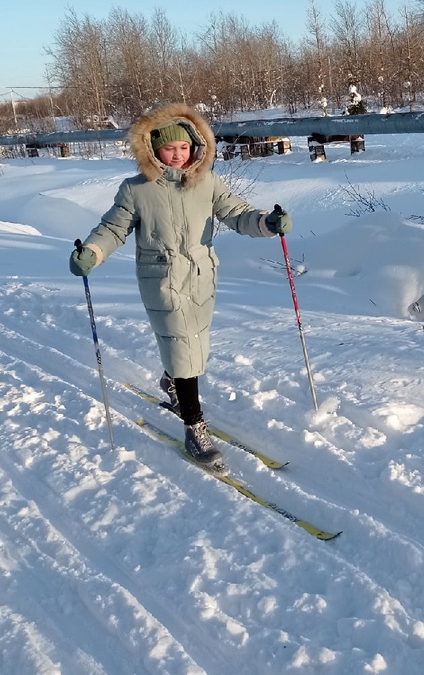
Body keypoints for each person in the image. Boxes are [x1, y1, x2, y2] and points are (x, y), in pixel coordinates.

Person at [69, 102, 291, 468]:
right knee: (183, 346)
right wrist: (92, 252)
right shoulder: (136, 190)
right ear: (152, 148)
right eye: (169, 148)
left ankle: (172, 382)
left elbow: (238, 215)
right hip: (162, 279)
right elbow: (112, 229)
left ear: (196, 146)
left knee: (194, 345)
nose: (177, 155)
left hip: (203, 277)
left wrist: (269, 222)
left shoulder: (208, 182)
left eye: (184, 147)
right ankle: (193, 425)